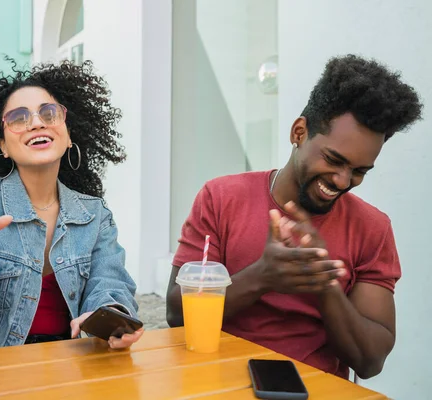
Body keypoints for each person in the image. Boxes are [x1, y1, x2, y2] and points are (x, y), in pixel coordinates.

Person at [166, 54, 423, 379]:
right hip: (216, 383)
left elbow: (370, 362)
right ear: (299, 132)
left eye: (359, 172)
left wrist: (323, 283)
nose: (343, 181)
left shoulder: (373, 229)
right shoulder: (221, 199)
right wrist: (263, 276)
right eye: (334, 159)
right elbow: (177, 313)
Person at [0, 59, 143, 350]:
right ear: (3, 146)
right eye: (19, 118)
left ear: (69, 135)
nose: (36, 122)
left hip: (71, 365)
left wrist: (112, 319)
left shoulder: (95, 214)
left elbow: (111, 284)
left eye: (49, 113)